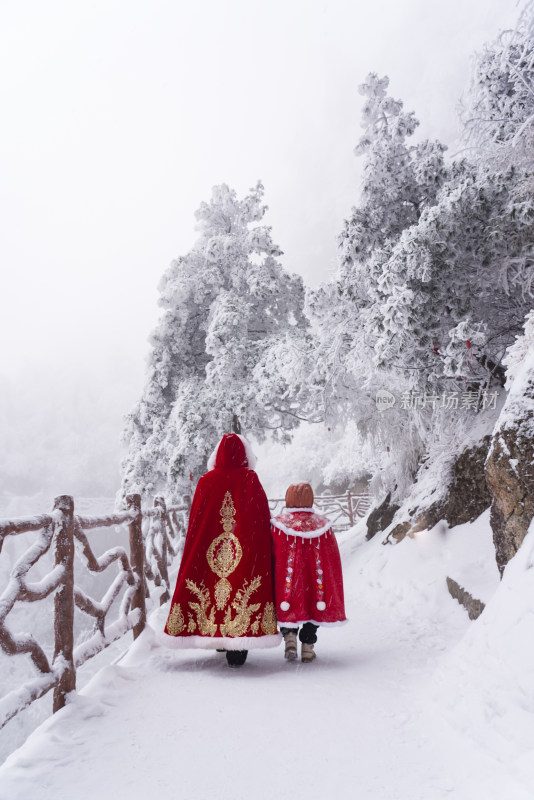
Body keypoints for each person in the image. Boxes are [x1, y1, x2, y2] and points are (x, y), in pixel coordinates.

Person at [162, 433, 281, 666]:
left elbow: (197, 522)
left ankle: (215, 636)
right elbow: (260, 517)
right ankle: (237, 650)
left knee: (209, 584)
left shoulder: (206, 481)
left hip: (211, 545)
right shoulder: (250, 479)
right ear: (246, 455)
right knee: (239, 584)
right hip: (244, 544)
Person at [271, 482, 347, 662]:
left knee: (287, 602)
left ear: (288, 499)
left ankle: (289, 637)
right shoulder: (323, 526)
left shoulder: (278, 525)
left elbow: (271, 553)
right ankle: (307, 645)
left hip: (287, 578)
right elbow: (331, 557)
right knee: (314, 604)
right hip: (314, 579)